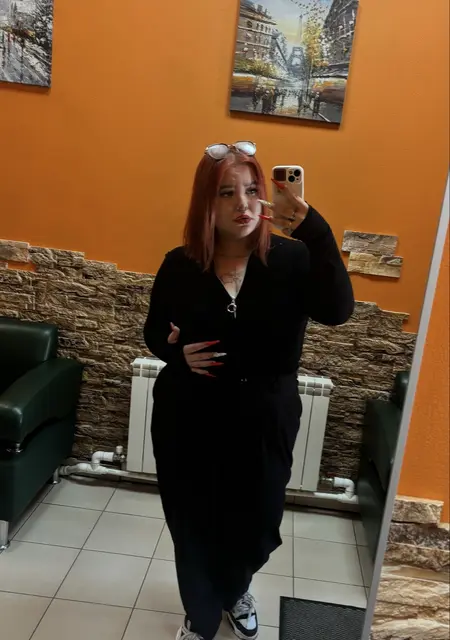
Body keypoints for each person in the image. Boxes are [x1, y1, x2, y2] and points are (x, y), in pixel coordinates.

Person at [144, 141, 354, 640]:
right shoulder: (180, 264)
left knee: (256, 524)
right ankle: (200, 617)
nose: (242, 203)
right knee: (193, 523)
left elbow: (337, 310)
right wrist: (176, 354)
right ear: (206, 202)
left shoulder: (293, 257)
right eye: (226, 193)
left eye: (252, 190)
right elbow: (154, 330)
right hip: (189, 414)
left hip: (265, 415)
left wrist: (315, 229)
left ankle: (236, 588)